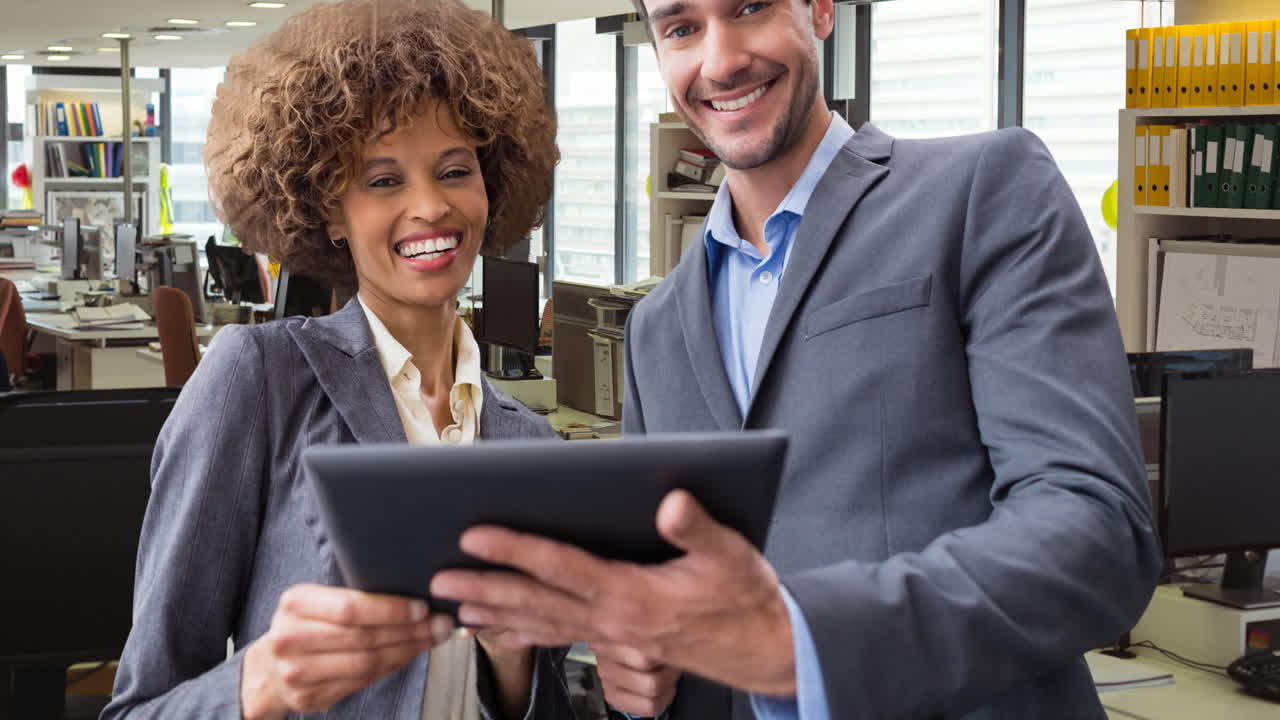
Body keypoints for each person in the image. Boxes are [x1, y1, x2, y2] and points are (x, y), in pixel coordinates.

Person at [429, 0, 1162, 718]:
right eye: (681, 28)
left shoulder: (982, 190)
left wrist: (801, 640)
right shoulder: (657, 329)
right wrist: (639, 672)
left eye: (748, 8)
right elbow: (672, 603)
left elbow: (1095, 531)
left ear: (819, 9)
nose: (719, 60)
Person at [101, 1, 570, 718]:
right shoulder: (257, 381)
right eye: (383, 181)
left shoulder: (529, 443)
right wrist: (260, 684)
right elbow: (139, 706)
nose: (430, 208)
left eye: (454, 170)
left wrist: (513, 661)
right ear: (328, 212)